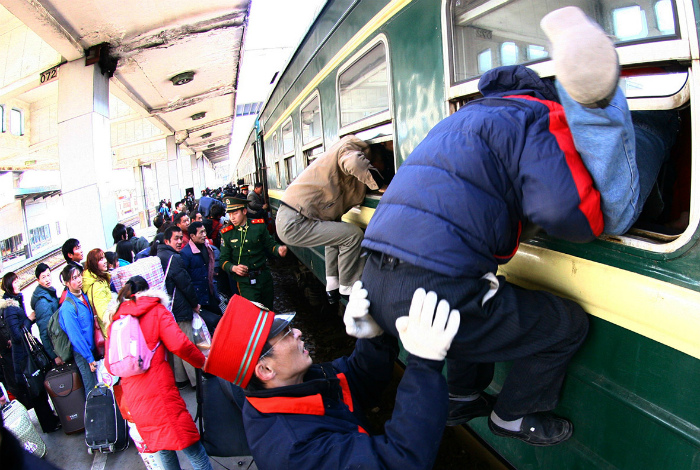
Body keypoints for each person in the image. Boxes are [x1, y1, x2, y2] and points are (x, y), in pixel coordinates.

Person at [358, 7, 678, 446]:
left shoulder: (455, 122)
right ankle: (514, 414)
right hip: (435, 282)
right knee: (564, 325)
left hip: (374, 282)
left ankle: (462, 394)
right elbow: (568, 215)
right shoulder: (534, 117)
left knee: (475, 305)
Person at [204, 286, 459, 470]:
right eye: (285, 334)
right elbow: (400, 461)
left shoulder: (294, 385)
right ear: (266, 370)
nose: (298, 331)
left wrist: (374, 338)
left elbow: (357, 381)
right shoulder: (298, 452)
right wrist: (424, 365)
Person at [106, 276, 212, 470]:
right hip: (160, 393)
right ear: (148, 290)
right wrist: (202, 361)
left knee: (163, 448)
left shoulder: (116, 321)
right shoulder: (155, 310)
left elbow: (109, 364)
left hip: (134, 396)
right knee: (194, 449)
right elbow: (179, 344)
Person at [276, 135, 385, 304]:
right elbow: (354, 163)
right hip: (295, 220)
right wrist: (379, 183)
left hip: (291, 218)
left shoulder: (338, 160)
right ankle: (349, 286)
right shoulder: (348, 149)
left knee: (335, 232)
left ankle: (332, 284)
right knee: (353, 235)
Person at [1, 272, 62, 433]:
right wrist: (29, 319)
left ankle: (51, 419)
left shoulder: (14, 302)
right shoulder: (9, 309)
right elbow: (16, 335)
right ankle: (48, 424)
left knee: (39, 388)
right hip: (23, 356)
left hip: (25, 353)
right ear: (8, 285)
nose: (18, 283)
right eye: (15, 282)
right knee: (35, 389)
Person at [219, 197, 287, 310]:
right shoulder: (227, 234)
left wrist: (279, 249)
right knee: (253, 312)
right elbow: (223, 261)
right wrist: (234, 268)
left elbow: (270, 245)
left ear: (244, 211)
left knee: (268, 310)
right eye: (230, 214)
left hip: (264, 277)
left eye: (235, 213)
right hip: (245, 282)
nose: (232, 218)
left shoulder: (258, 226)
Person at [156, 226, 200, 389]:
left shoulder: (159, 256)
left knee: (175, 343)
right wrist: (195, 304)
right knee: (187, 343)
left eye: (181, 238)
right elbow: (185, 284)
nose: (180, 241)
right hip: (180, 307)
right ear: (167, 241)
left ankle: (180, 379)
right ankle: (196, 381)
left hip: (167, 308)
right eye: (176, 238)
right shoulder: (174, 258)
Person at [59, 265, 97, 396]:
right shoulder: (68, 307)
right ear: (67, 283)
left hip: (91, 349)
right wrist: (89, 357)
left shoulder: (84, 296)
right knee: (92, 389)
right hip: (83, 354)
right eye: (74, 278)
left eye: (79, 275)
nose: (79, 280)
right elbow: (75, 337)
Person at [180, 222, 220, 316]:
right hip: (199, 297)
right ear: (192, 236)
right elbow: (185, 279)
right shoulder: (185, 254)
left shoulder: (207, 247)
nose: (204, 235)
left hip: (209, 291)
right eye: (201, 233)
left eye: (205, 231)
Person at [30, 263, 63, 366]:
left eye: (48, 275)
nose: (47, 279)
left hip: (59, 342)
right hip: (57, 349)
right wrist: (54, 356)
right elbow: (45, 332)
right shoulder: (42, 303)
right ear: (38, 280)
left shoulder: (48, 293)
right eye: (43, 277)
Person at [83, 248, 114, 337]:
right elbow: (103, 314)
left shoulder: (100, 279)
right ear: (94, 264)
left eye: (104, 257)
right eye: (100, 259)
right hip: (109, 332)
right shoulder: (97, 285)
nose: (105, 261)